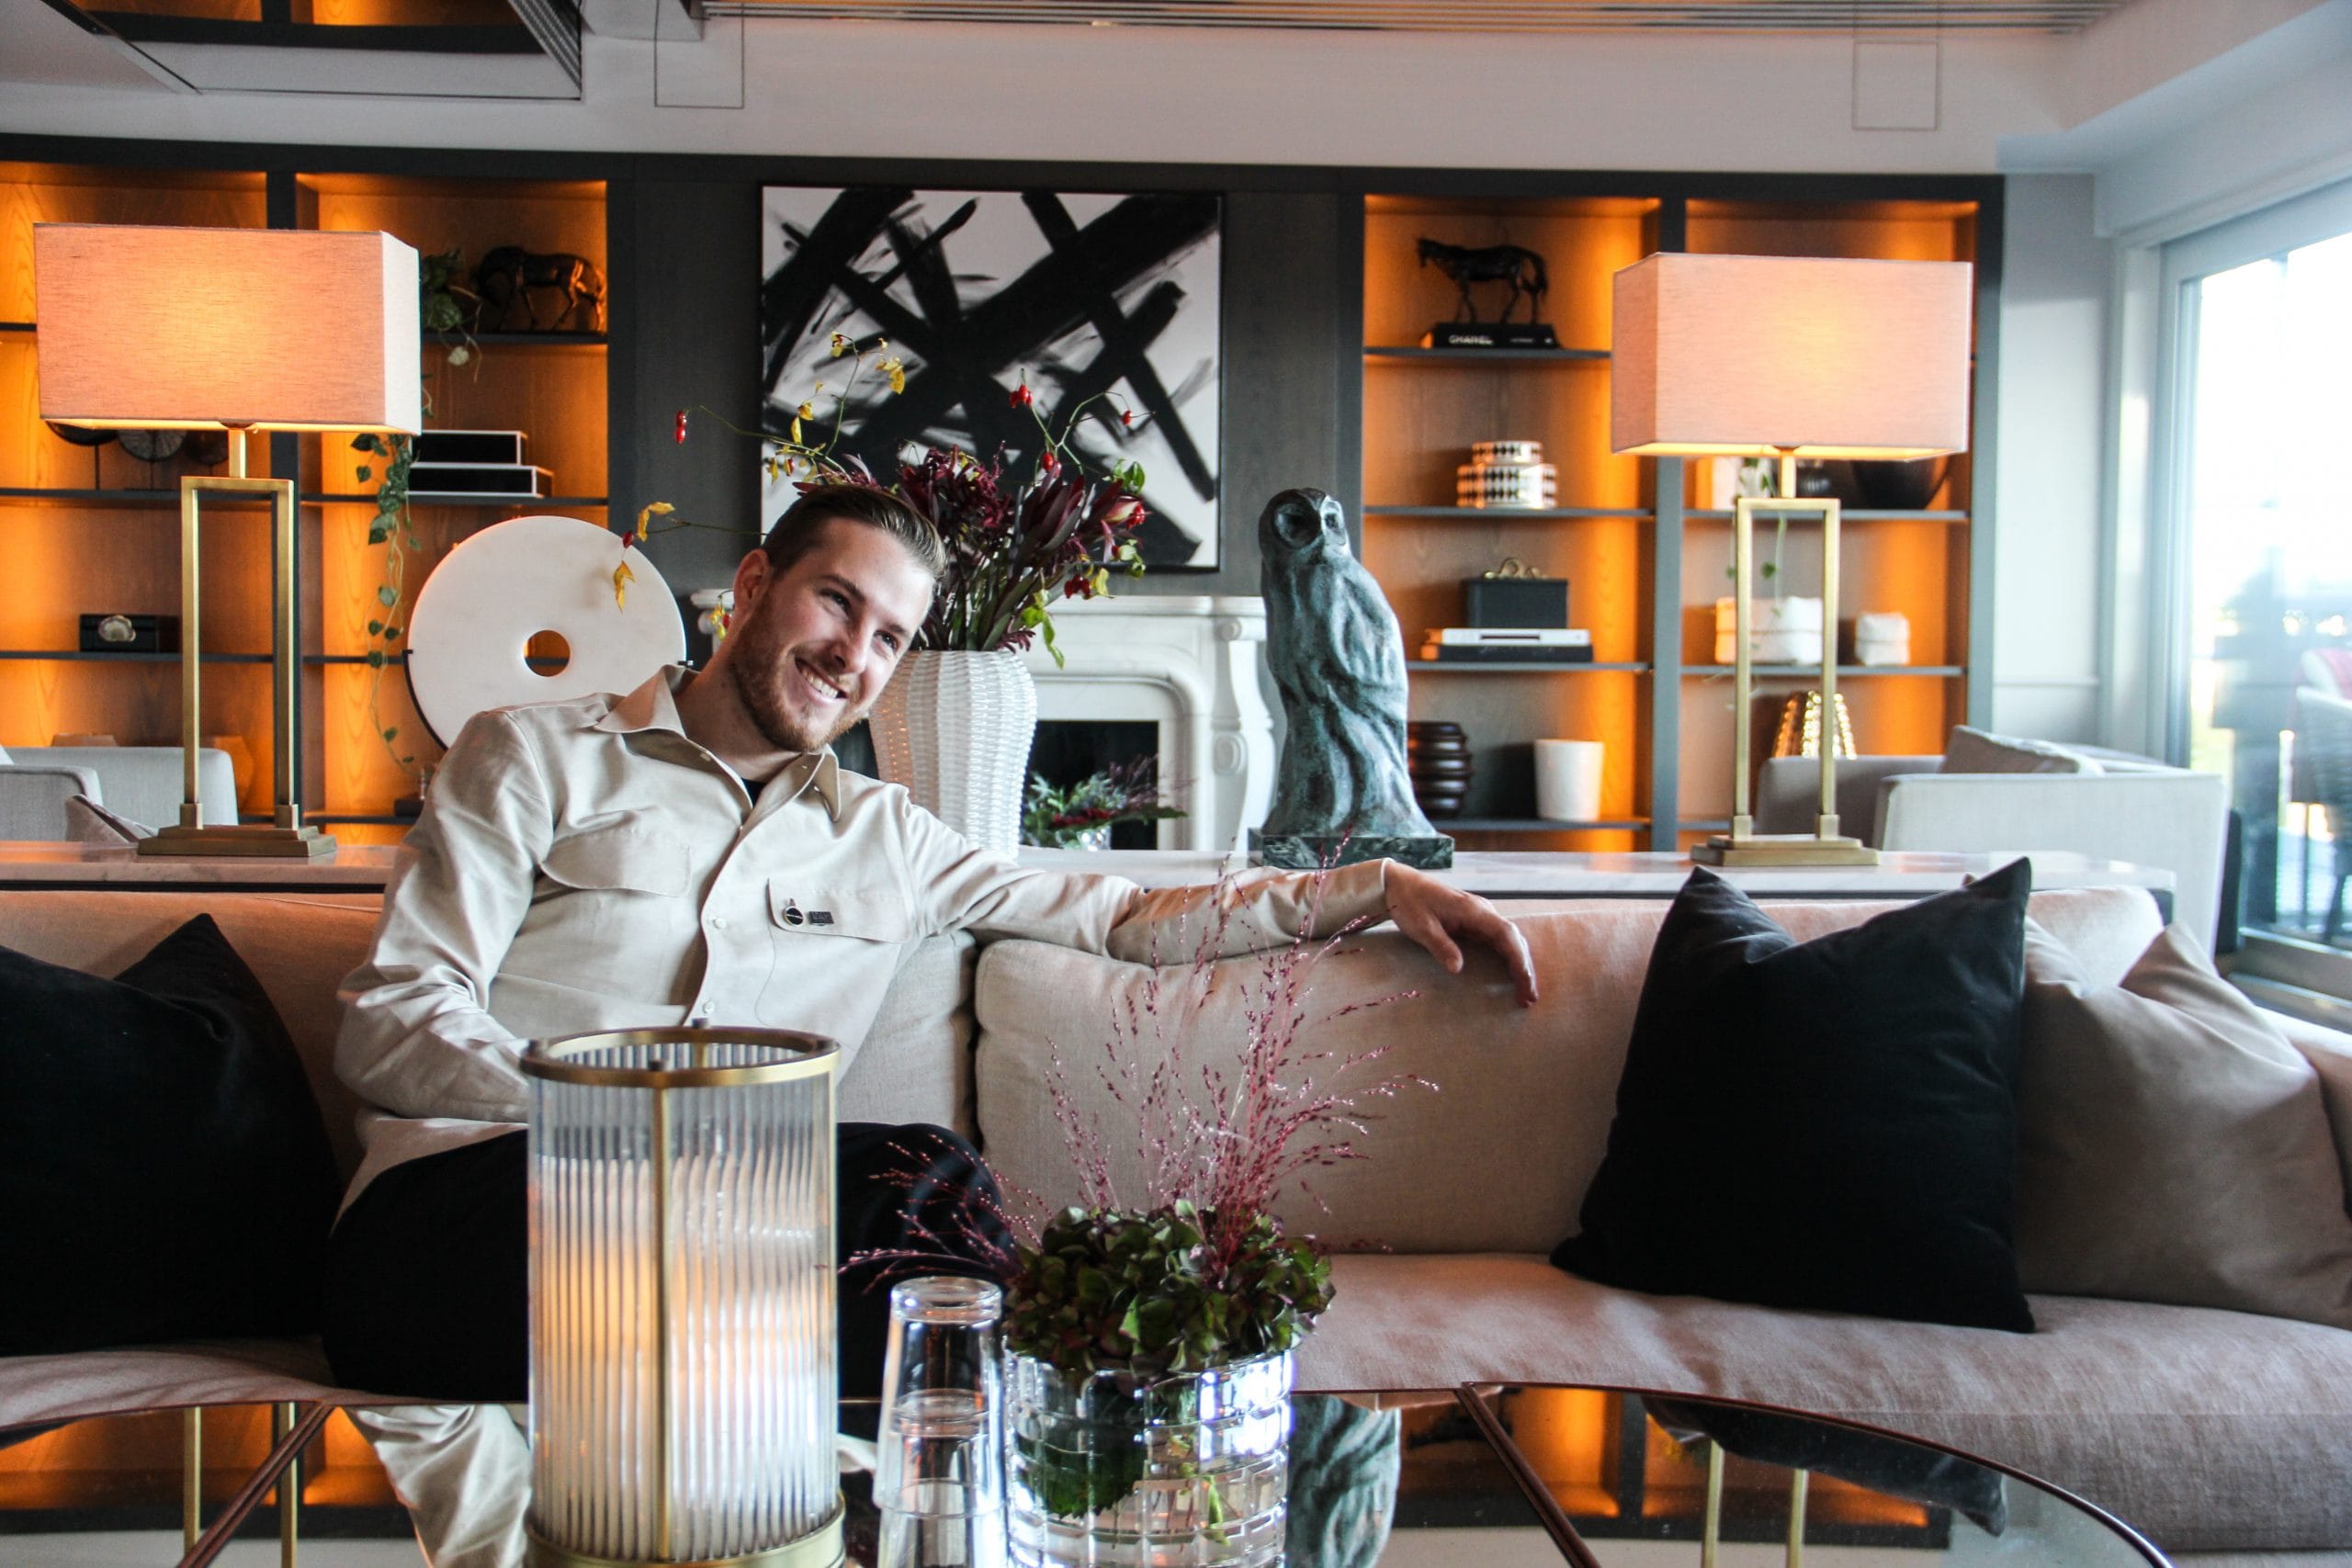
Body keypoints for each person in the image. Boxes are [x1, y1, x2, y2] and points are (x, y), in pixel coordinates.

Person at [322, 480, 1539, 1406]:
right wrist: (639, 1125)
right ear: (753, 583)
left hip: (718, 1243)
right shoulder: (532, 756)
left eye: (891, 637)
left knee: (921, 1231)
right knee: (908, 1187)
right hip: (475, 1215)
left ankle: (992, 1457)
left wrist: (1366, 885)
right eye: (835, 601)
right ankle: (1046, 1410)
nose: (854, 656)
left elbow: (1118, 916)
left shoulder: (888, 837)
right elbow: (393, 1021)